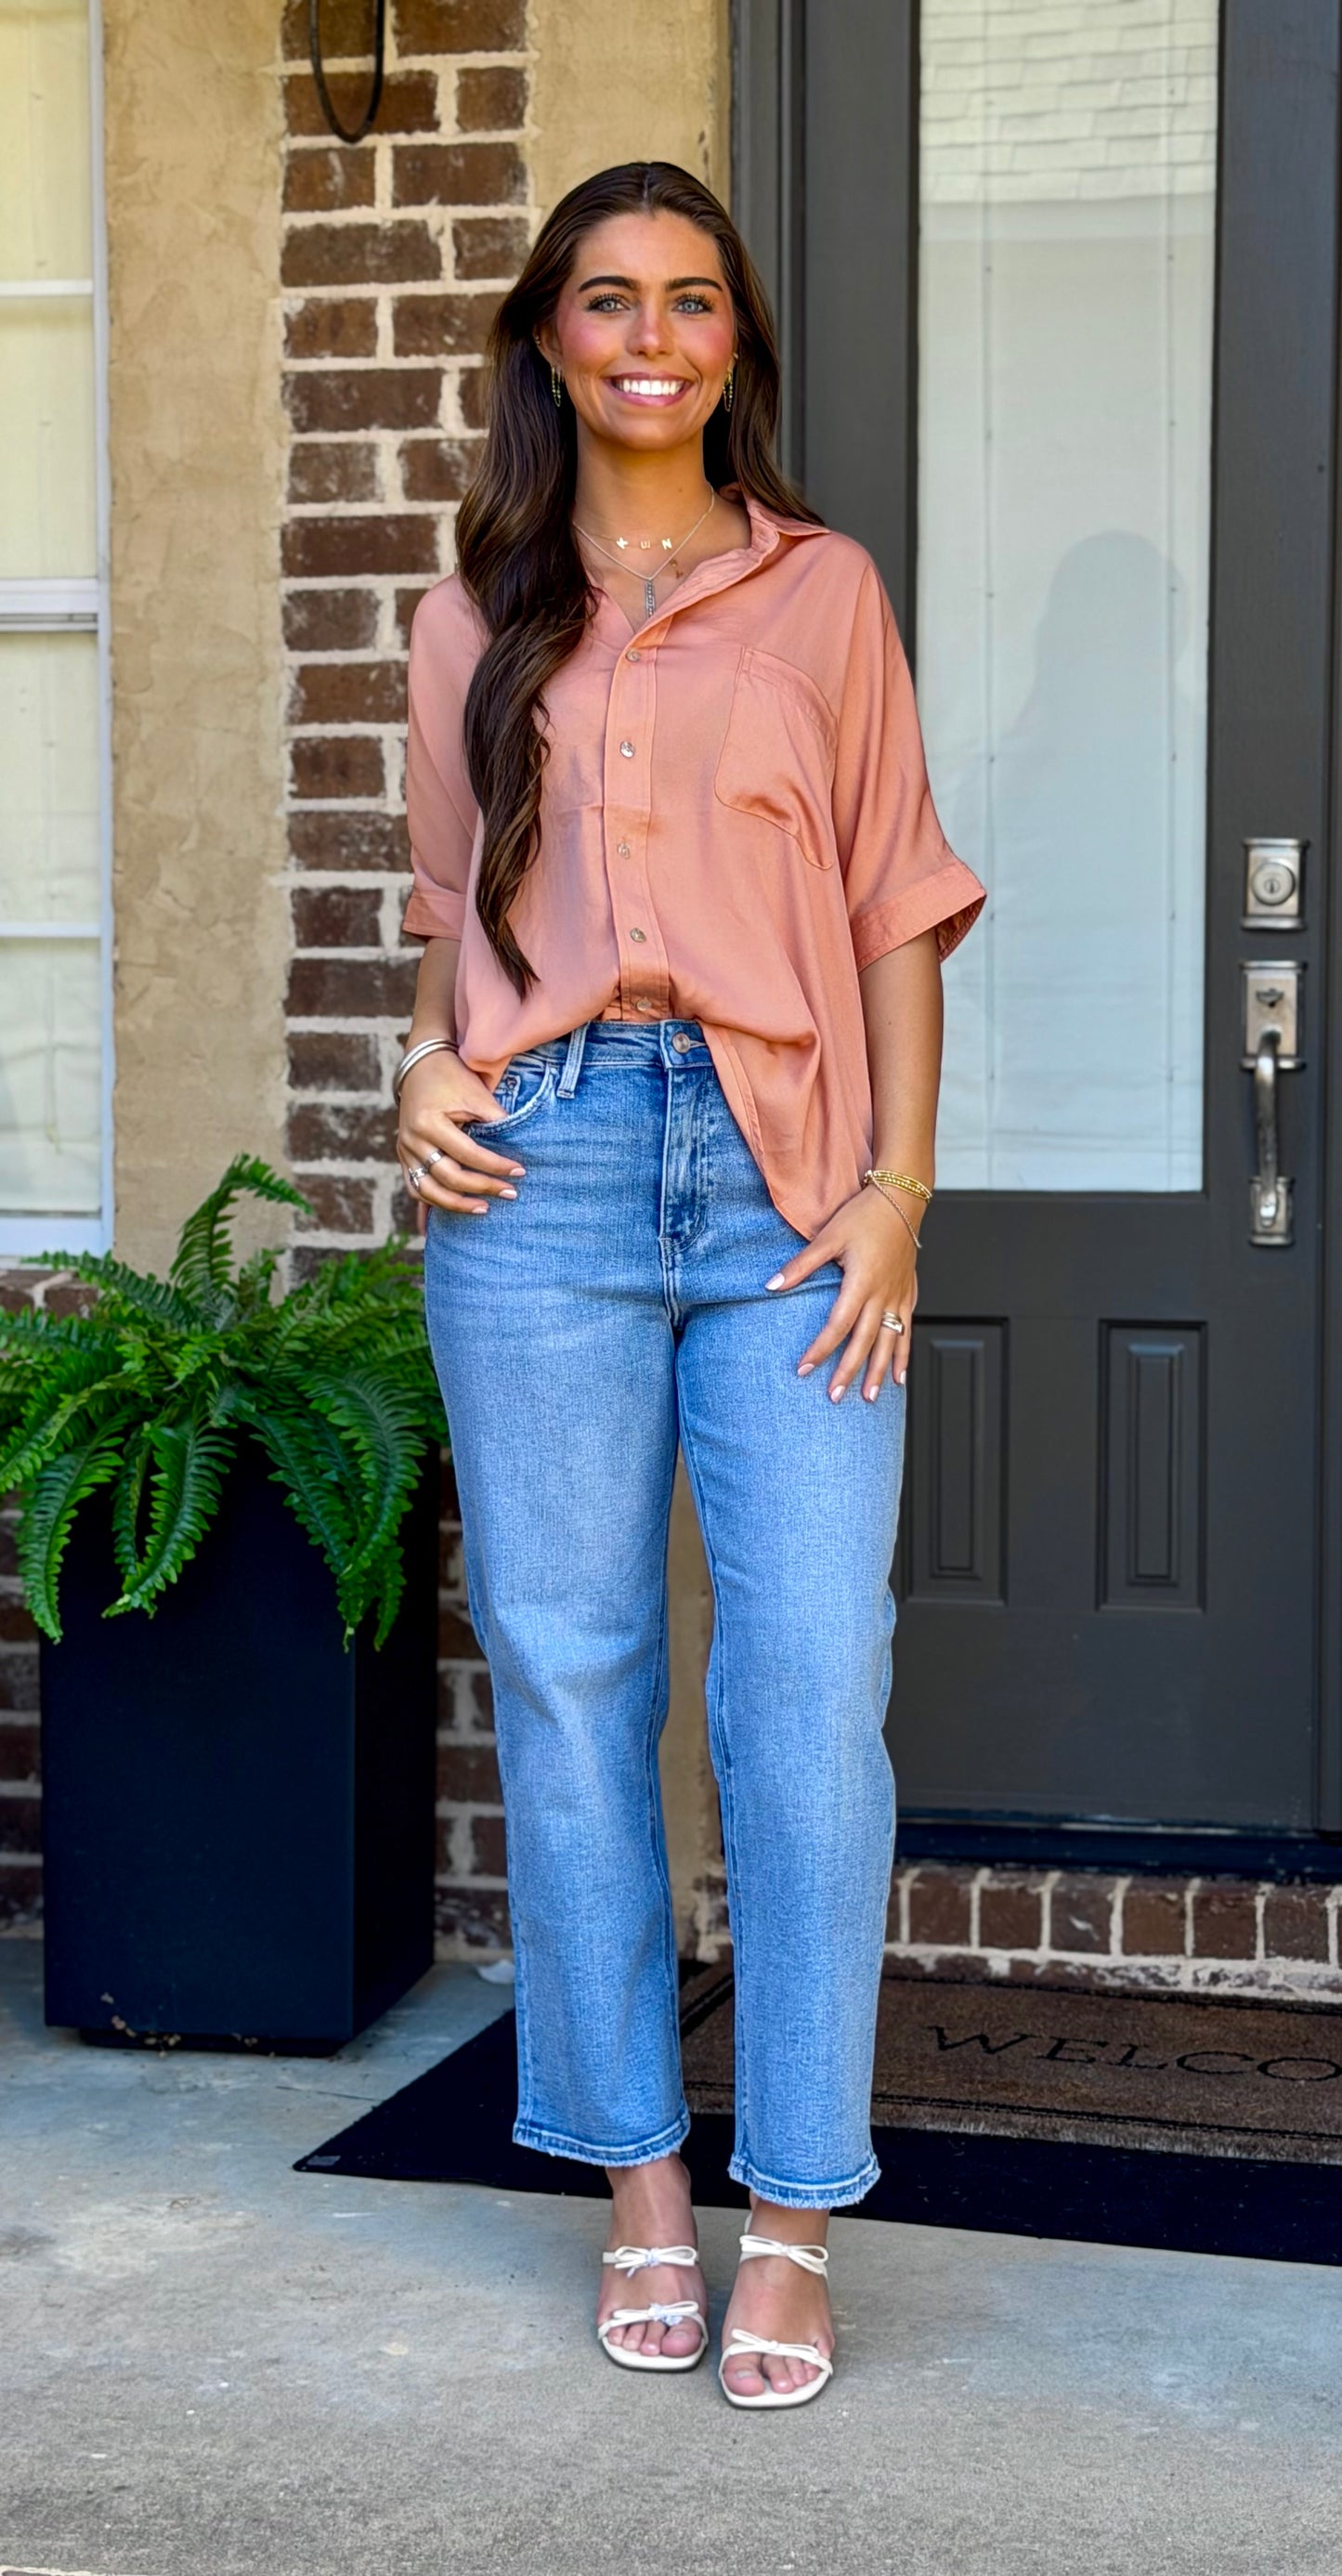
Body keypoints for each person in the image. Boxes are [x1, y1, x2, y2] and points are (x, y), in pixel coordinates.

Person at [395, 161, 984, 2411]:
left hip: (782, 1184)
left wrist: (899, 1192)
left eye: (696, 302)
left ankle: (799, 2208)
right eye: (610, 300)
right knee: (568, 1676)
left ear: (737, 344)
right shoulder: (473, 614)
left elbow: (896, 908)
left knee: (811, 1690)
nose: (654, 334)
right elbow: (447, 914)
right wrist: (416, 1070)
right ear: (550, 336)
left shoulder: (822, 595)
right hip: (534, 1177)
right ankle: (643, 2185)